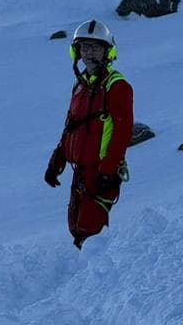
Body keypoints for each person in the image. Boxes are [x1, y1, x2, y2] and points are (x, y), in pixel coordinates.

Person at [45, 19, 134, 249]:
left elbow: (122, 132)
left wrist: (108, 170)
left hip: (101, 170)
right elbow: (70, 126)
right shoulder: (80, 85)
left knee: (90, 230)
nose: (89, 53)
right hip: (80, 170)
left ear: (107, 51)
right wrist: (57, 160)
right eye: (84, 47)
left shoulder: (117, 86)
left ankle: (100, 269)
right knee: (76, 226)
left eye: (95, 47)